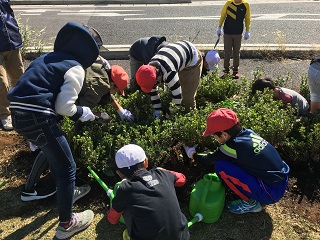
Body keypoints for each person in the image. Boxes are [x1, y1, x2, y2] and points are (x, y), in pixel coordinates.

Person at [7, 22, 100, 239]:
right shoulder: (75, 67)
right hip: (39, 118)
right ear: (89, 53)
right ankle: (66, 225)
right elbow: (63, 107)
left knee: (53, 153)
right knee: (68, 167)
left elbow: (30, 89)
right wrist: (83, 112)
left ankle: (52, 193)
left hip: (18, 115)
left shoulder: (45, 59)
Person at [20, 26, 134, 202]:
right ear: (111, 83)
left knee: (49, 148)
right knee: (57, 154)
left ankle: (33, 187)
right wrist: (95, 118)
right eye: (116, 90)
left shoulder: (102, 64)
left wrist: (119, 109)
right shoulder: (96, 84)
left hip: (31, 108)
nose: (115, 94)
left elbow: (106, 93)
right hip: (47, 111)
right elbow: (78, 112)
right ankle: (61, 201)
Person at [183, 108, 290, 214]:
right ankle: (254, 194)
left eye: (214, 135)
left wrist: (192, 153)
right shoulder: (248, 133)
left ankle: (249, 203)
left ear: (224, 134)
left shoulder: (232, 146)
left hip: (270, 192)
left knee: (221, 167)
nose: (214, 138)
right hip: (280, 180)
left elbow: (208, 159)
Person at [107, 144, 190, 240]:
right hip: (182, 237)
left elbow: (112, 220)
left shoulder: (125, 189)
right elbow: (182, 180)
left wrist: (114, 203)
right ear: (146, 162)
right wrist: (163, 170)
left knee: (124, 206)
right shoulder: (162, 174)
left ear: (120, 173)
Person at [135, 40, 203, 118]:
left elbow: (177, 98)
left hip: (192, 58)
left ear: (158, 76)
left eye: (155, 84)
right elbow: (153, 92)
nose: (154, 87)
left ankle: (191, 118)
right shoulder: (150, 70)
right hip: (178, 56)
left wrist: (169, 116)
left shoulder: (169, 72)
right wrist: (157, 111)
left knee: (187, 97)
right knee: (175, 86)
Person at [0, 0, 24, 130]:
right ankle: (5, 114)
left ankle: (21, 109)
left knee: (20, 78)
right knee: (2, 83)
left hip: (12, 41)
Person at [216, 0, 251, 79]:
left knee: (236, 52)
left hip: (238, 32)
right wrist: (219, 27)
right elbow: (223, 15)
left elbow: (247, 17)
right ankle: (226, 70)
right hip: (227, 32)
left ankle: (235, 70)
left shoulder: (246, 5)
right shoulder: (229, 3)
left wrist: (247, 30)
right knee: (227, 52)